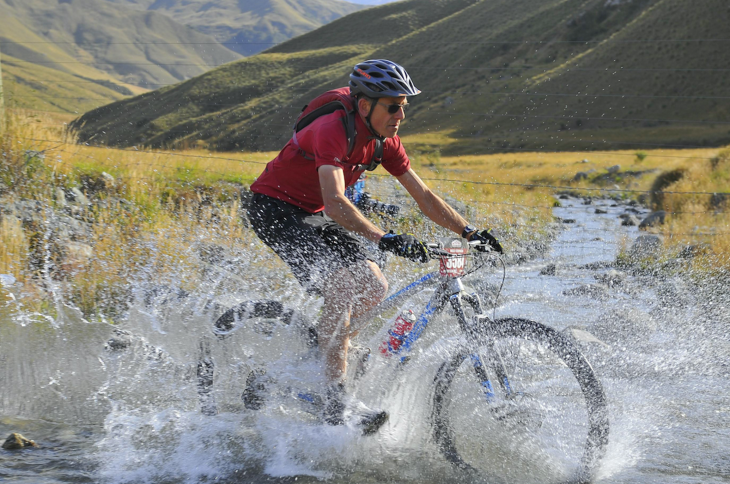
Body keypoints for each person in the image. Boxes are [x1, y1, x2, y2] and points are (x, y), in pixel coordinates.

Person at [247, 59, 502, 433]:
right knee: (341, 284)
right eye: (392, 106)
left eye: (403, 106)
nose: (400, 114)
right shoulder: (331, 129)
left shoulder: (385, 142)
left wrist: (469, 232)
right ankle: (335, 402)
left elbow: (425, 196)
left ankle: (325, 359)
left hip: (313, 211)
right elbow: (335, 202)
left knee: (374, 285)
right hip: (274, 209)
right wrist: (384, 237)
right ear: (365, 105)